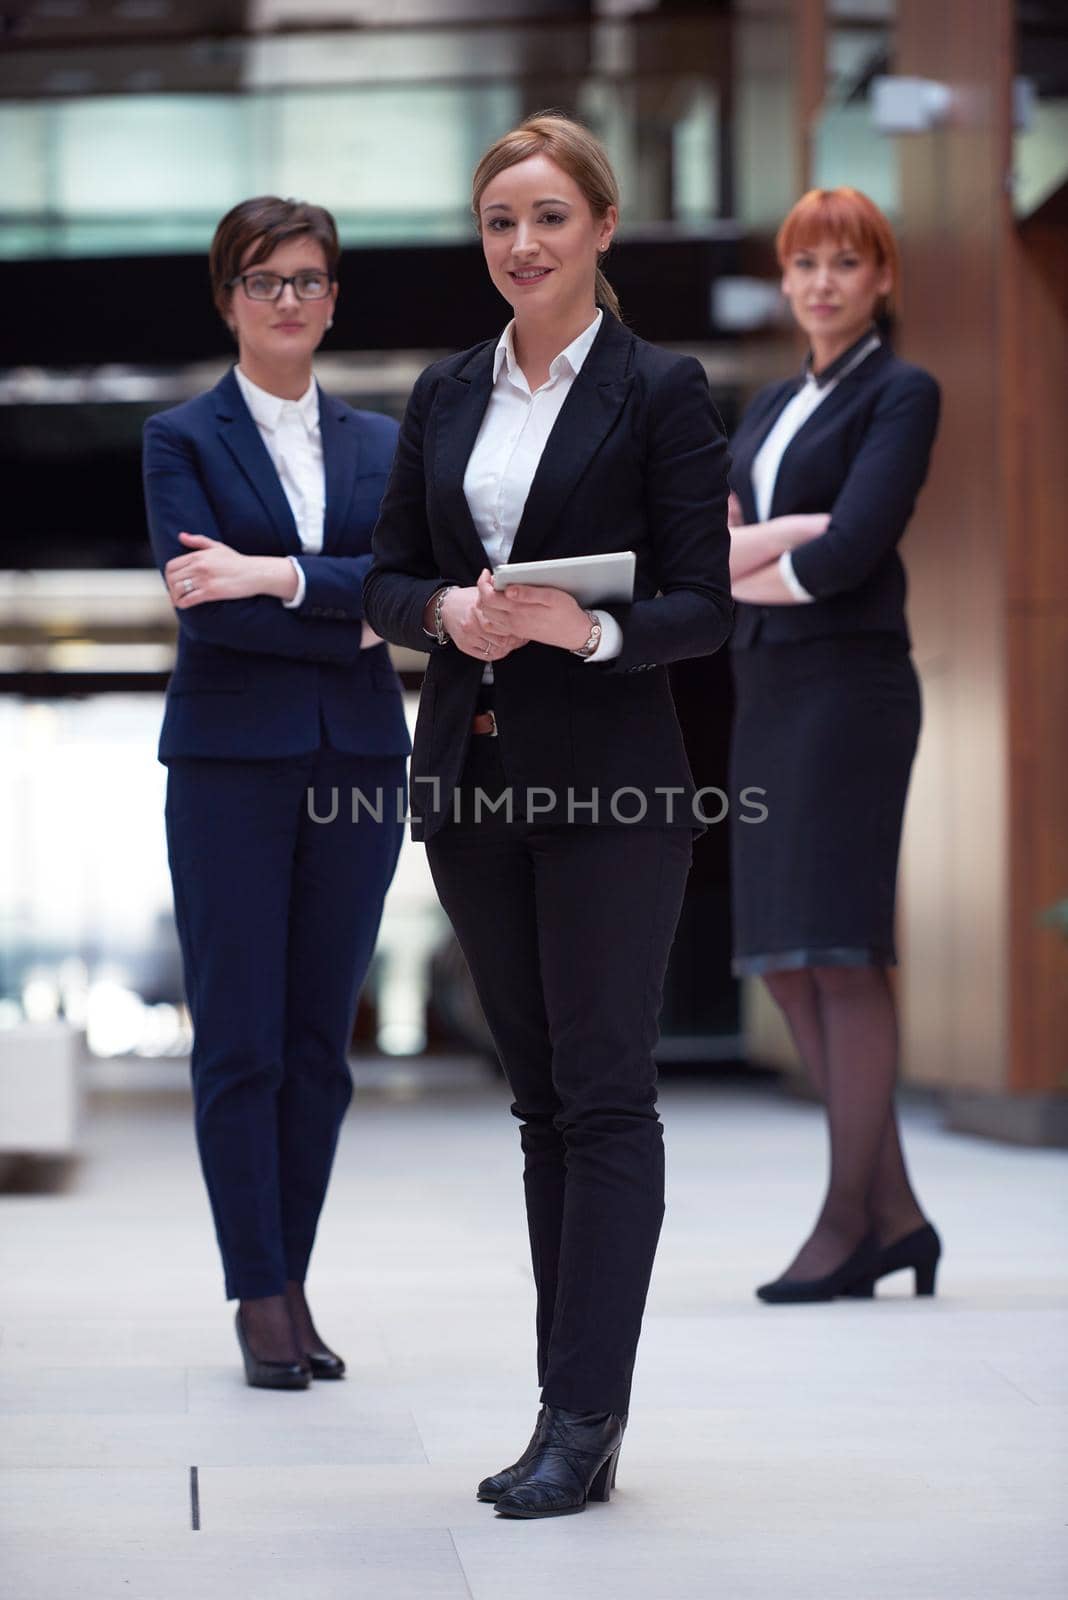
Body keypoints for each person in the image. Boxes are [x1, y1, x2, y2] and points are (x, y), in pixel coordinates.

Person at [364, 112, 732, 1519]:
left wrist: (584, 632)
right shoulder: (447, 392)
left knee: (603, 1097)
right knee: (537, 1108)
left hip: (614, 785)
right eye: (501, 221)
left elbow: (699, 606)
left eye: (549, 218)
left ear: (602, 230)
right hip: (472, 779)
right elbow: (392, 576)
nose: (522, 244)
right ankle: (561, 1407)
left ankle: (585, 1417)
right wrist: (447, 610)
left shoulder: (660, 388)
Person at [142, 197, 409, 1388]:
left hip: (359, 764)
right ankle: (257, 1290)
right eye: (265, 281)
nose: (288, 300)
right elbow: (211, 610)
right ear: (228, 299)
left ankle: (290, 1274)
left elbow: (415, 584)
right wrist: (343, 610)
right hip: (228, 773)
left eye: (308, 280)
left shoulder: (383, 444)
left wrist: (280, 576)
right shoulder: (180, 439)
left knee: (321, 1045)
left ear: (334, 299)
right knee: (240, 1042)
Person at [726, 186, 942, 1304]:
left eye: (844, 263)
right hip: (766, 688)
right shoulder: (764, 409)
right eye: (804, 263)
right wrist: (768, 549)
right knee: (788, 952)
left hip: (851, 692)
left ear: (881, 279)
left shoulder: (903, 393)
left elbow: (852, 550)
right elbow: (703, 555)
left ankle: (849, 1220)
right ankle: (897, 1214)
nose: (821, 282)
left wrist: (760, 559)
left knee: (841, 946)